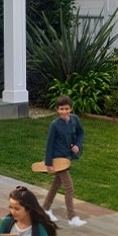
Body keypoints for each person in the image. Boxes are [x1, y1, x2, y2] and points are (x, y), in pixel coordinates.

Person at [42, 95, 86, 228]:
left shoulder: (74, 120)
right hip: (58, 159)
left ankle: (45, 209)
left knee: (56, 185)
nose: (64, 111)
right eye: (61, 109)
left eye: (66, 109)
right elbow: (49, 144)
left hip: (67, 157)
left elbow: (80, 133)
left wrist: (77, 145)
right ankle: (71, 217)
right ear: (57, 110)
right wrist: (48, 163)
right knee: (69, 187)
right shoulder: (55, 125)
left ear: (70, 109)